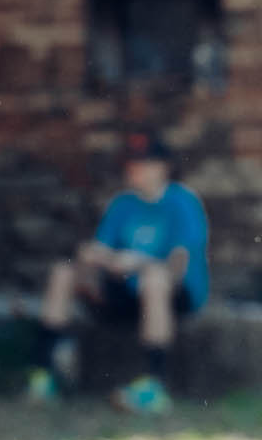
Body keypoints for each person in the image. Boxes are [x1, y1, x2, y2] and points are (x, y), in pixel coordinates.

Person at [30, 131, 211, 412]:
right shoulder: (122, 204)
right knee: (63, 273)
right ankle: (45, 373)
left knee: (154, 280)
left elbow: (178, 264)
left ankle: (154, 386)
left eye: (142, 163)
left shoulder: (182, 201)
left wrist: (138, 262)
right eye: (131, 162)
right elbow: (100, 250)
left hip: (174, 294)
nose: (133, 169)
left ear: (162, 167)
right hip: (125, 290)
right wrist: (98, 258)